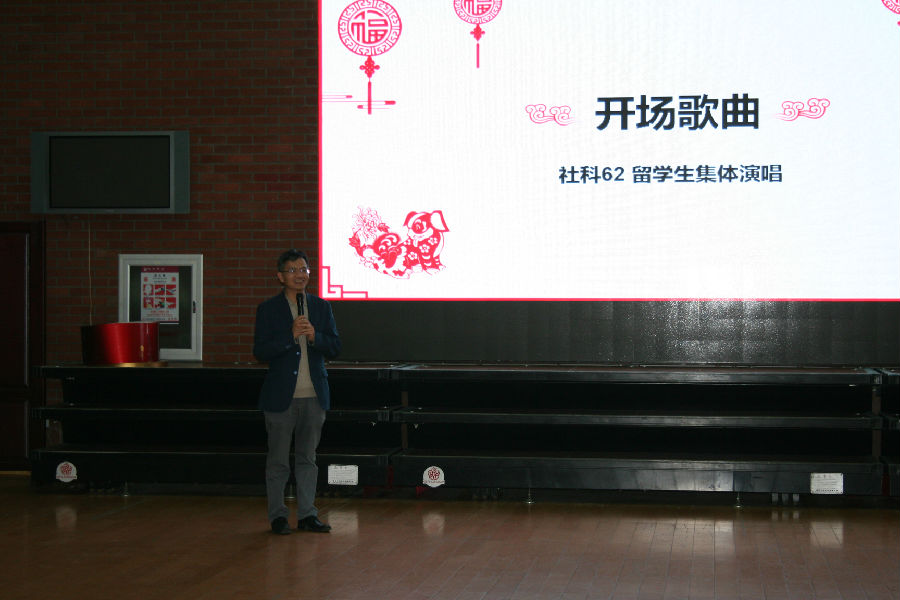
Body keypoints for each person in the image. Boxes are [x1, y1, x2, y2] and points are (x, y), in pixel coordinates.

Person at [253, 249, 341, 535]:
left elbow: (335, 347)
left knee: (307, 459)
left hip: (314, 396)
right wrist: (289, 336)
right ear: (280, 277)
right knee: (278, 461)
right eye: (292, 270)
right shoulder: (268, 309)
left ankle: (307, 515)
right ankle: (278, 517)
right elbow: (260, 351)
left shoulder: (321, 307)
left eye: (304, 269)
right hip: (281, 397)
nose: (300, 275)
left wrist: (316, 337)